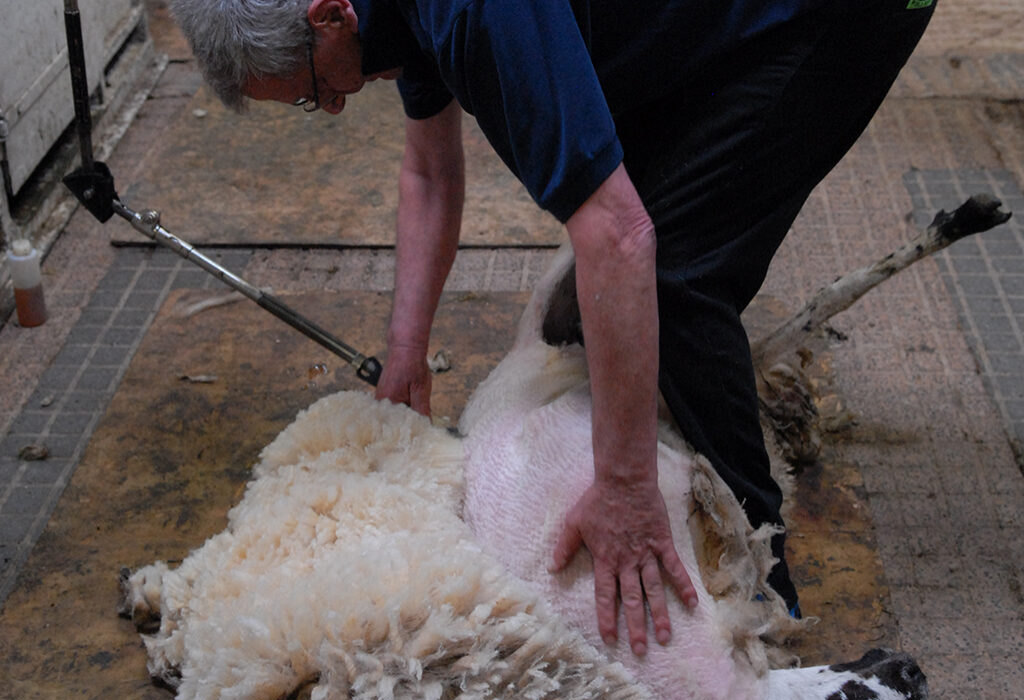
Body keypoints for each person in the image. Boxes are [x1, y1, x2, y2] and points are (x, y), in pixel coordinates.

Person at [169, 0, 935, 658]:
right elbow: (429, 173)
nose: (334, 107)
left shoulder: (471, 13)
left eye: (313, 90)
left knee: (678, 278)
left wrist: (625, 487)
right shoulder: (384, 18)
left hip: (838, 16)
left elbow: (619, 237)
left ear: (329, 14)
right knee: (635, 201)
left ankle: (764, 591)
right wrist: (406, 352)